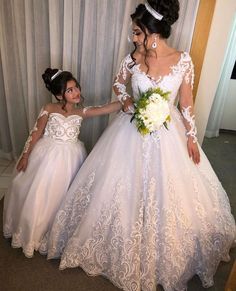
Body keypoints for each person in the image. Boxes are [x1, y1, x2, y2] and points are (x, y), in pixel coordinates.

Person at [45, 1, 236, 290]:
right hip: (131, 129)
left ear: (152, 32)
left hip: (169, 133)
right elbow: (118, 84)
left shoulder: (183, 61)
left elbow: (186, 103)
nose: (133, 38)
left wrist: (192, 138)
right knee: (120, 186)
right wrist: (126, 100)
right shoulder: (132, 59)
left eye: (137, 32)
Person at [3, 68, 121, 258]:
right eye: (69, 90)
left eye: (76, 88)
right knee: (40, 192)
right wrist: (26, 155)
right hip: (46, 155)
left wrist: (125, 101)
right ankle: (31, 231)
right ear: (59, 95)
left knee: (62, 193)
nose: (76, 92)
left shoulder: (81, 112)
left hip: (71, 159)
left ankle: (56, 230)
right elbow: (36, 133)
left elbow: (104, 109)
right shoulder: (49, 109)